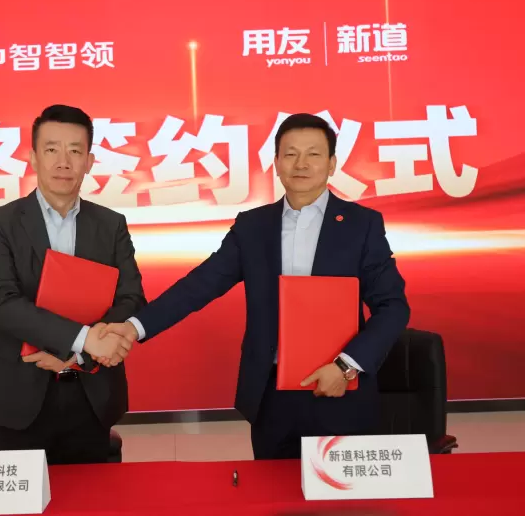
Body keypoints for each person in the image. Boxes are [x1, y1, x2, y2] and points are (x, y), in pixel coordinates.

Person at [103, 113, 410, 460]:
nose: (301, 164)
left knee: (342, 490)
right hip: (271, 393)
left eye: (313, 154)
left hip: (339, 388)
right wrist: (134, 327)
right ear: (276, 163)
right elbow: (200, 285)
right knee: (270, 489)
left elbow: (393, 307)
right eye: (290, 154)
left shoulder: (361, 225)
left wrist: (345, 366)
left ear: (332, 163)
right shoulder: (253, 226)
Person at [0, 104, 145, 464]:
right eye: (51, 149)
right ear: (33, 158)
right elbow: (4, 303)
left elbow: (131, 297)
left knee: (91, 493)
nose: (63, 162)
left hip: (90, 393)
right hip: (17, 393)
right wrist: (83, 339)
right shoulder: (1, 223)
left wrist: (78, 354)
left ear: (89, 162)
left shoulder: (111, 224)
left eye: (75, 151)